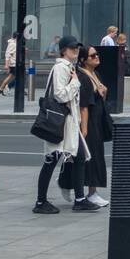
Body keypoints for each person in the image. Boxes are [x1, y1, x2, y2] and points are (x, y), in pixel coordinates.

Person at [33, 37, 95, 214]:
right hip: (60, 122)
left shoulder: (69, 67)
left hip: (68, 122)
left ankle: (80, 199)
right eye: (71, 48)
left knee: (79, 157)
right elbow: (60, 95)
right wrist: (75, 83)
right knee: (51, 160)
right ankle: (41, 201)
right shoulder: (61, 68)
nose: (75, 50)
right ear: (63, 51)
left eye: (76, 47)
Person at [72, 46, 110, 207]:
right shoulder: (84, 77)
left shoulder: (95, 75)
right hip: (90, 122)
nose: (96, 57)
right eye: (92, 55)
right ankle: (90, 192)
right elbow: (84, 106)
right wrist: (85, 128)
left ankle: (90, 191)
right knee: (91, 157)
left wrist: (103, 91)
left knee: (94, 156)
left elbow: (99, 98)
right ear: (83, 60)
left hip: (97, 120)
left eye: (97, 54)